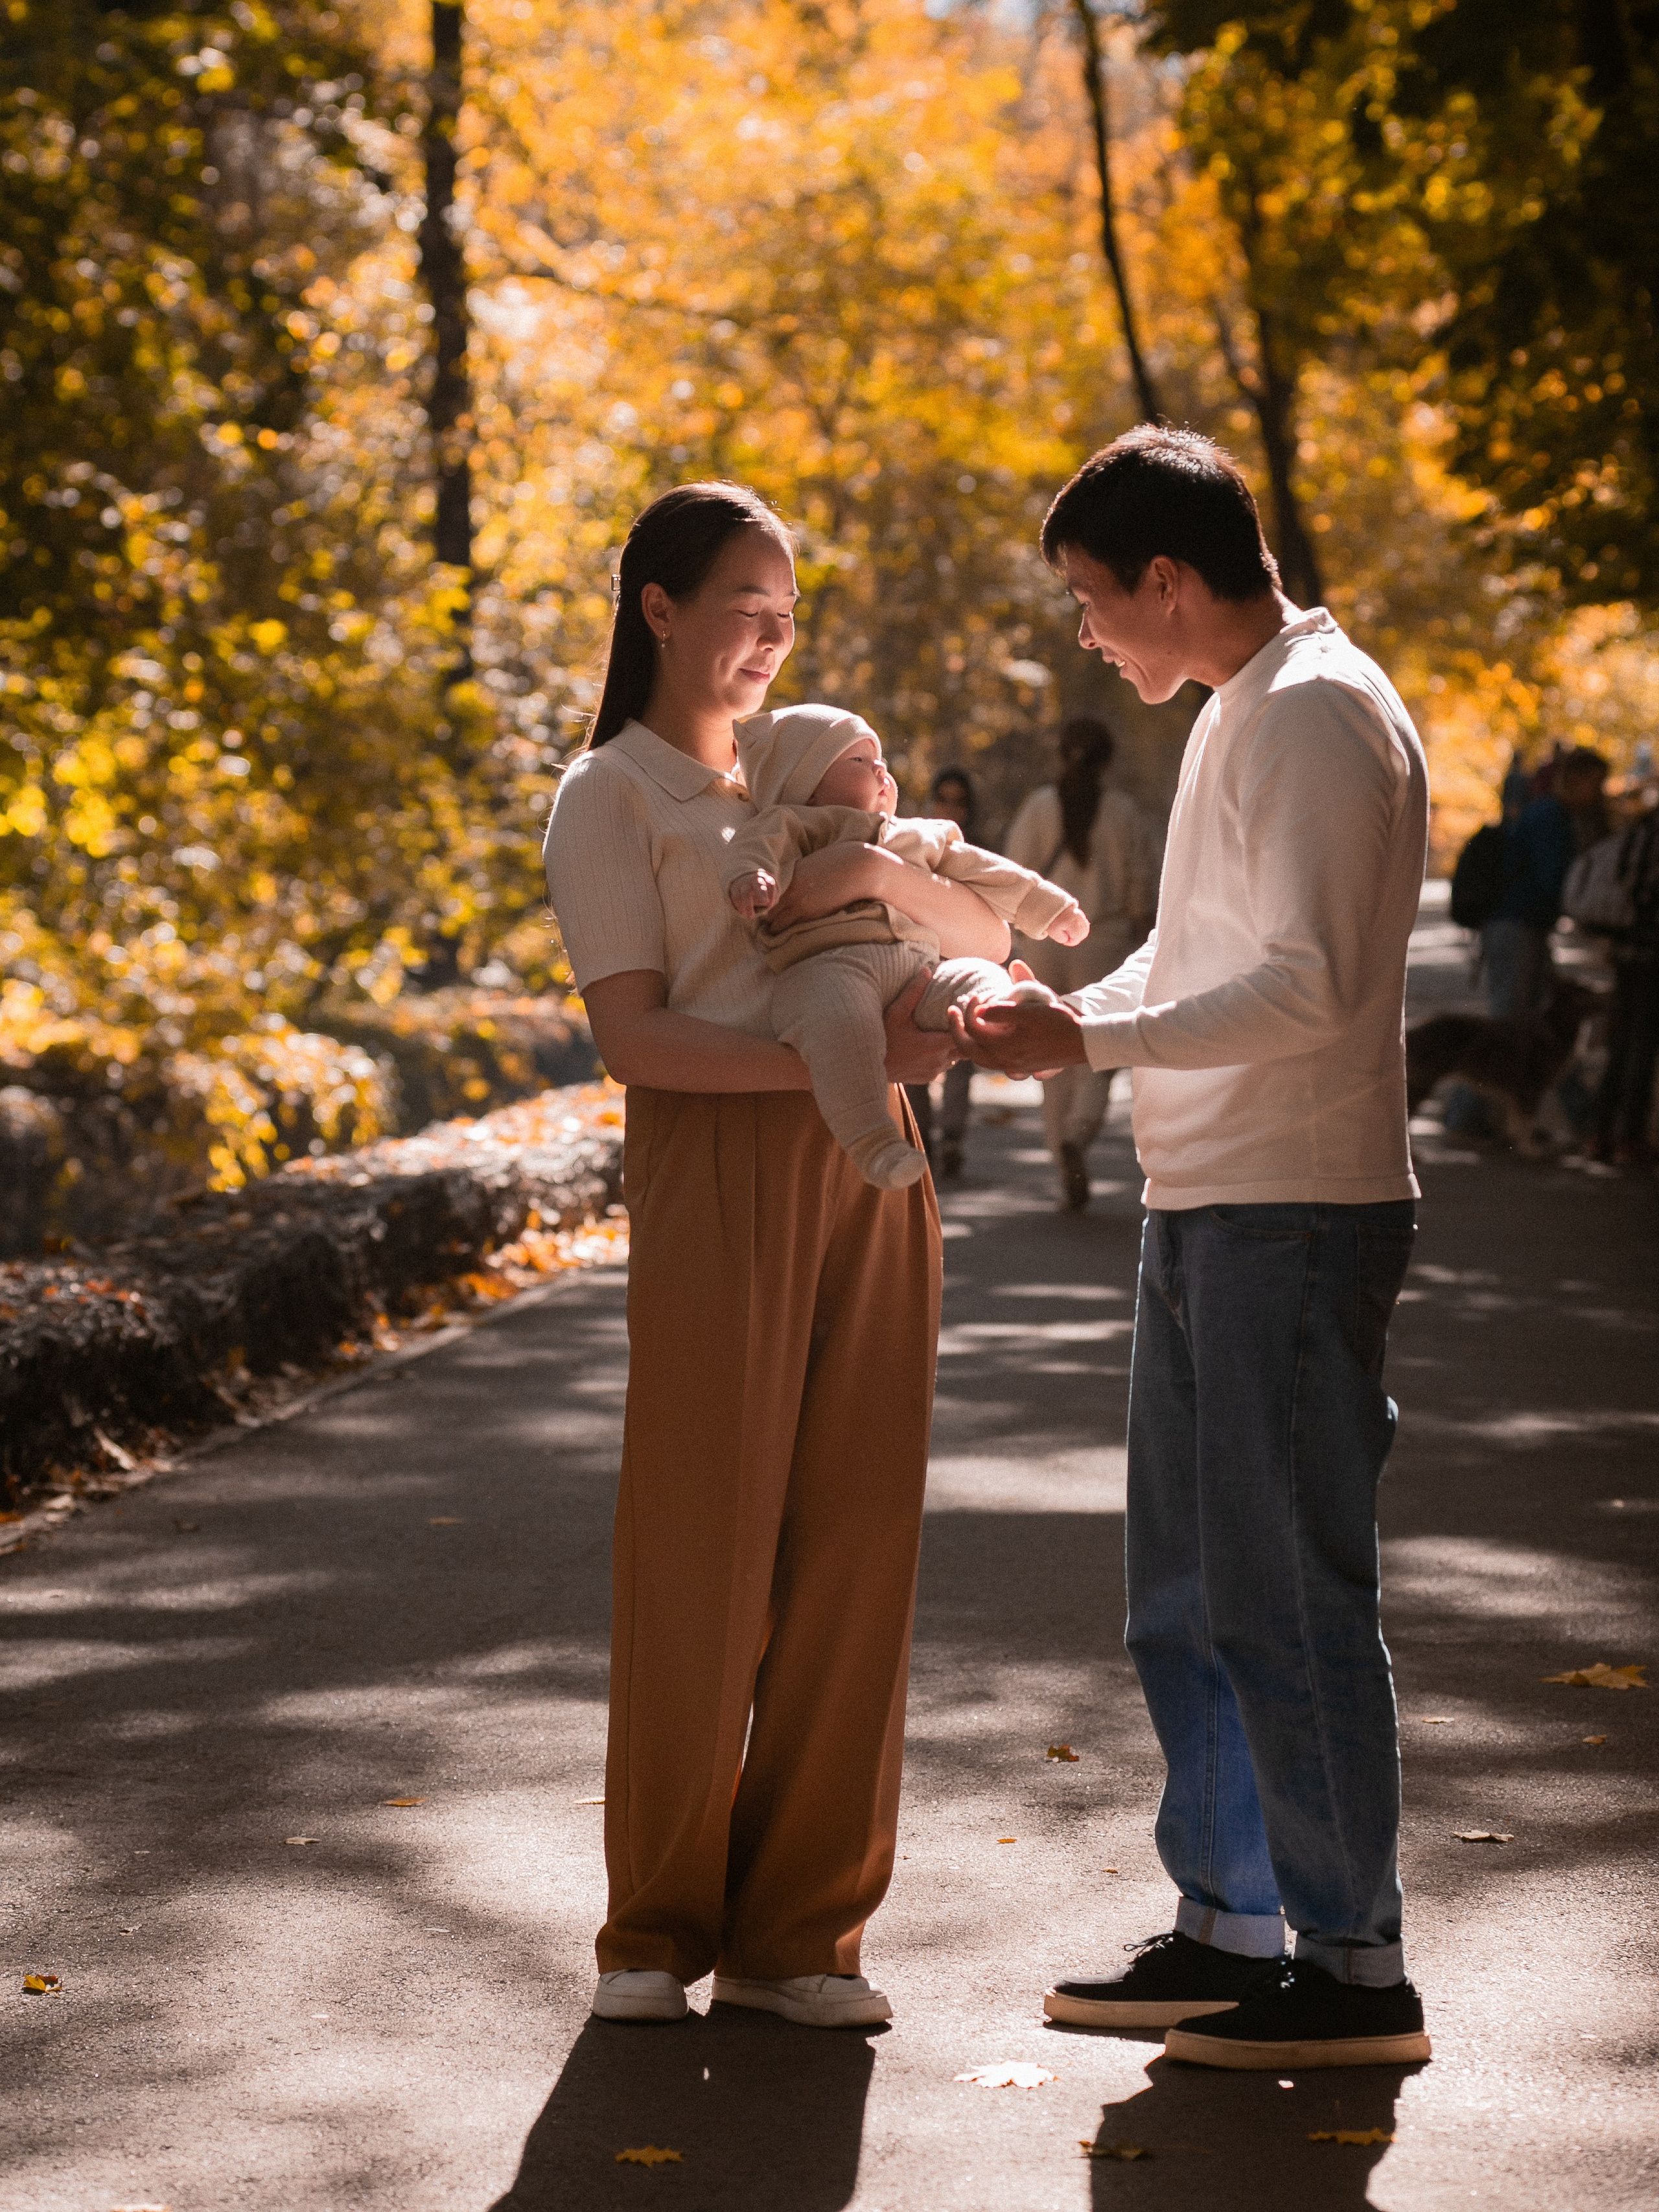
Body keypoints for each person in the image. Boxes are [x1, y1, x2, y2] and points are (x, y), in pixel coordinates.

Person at [955, 426, 1433, 2070]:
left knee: (1283, 1592)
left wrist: (1081, 1050)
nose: (1087, 633)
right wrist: (1056, 1013)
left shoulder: (1313, 710)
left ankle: (1350, 1962)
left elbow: (1303, 982)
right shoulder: (1243, 703)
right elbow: (1191, 947)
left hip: (1291, 1212)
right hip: (1204, 1197)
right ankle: (1230, 1925)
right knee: (1182, 1593)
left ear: (1167, 576)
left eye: (1094, 600)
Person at [542, 482, 1010, 2031]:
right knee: (701, 1537)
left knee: (856, 1536)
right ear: (656, 607)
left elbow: (991, 940)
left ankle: (802, 1932)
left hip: (871, 1173)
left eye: (786, 613)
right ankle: (651, 1927)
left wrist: (876, 891)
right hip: (723, 1161)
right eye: (742, 603)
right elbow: (634, 1035)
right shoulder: (610, 794)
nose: (765, 636)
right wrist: (844, 1063)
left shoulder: (818, 775)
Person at [723, 706, 1085, 1187]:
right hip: (827, 971)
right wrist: (752, 880)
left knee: (977, 977)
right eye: (858, 762)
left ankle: (1017, 1013)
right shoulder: (792, 824)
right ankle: (875, 1139)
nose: (880, 770)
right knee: (840, 1028)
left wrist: (1045, 906)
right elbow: (752, 851)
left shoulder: (913, 832)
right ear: (808, 784)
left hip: (918, 971)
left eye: (880, 759)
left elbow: (981, 867)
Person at [1003, 716, 1161, 1209]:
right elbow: (1142, 888)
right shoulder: (1124, 813)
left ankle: (1060, 1152)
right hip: (1104, 939)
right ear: (1108, 761)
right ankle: (1078, 1133)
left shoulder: (1037, 808)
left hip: (1045, 940)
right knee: (1094, 1046)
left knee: (1047, 1047)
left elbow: (1011, 873)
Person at [905, 767, 982, 1178]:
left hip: (966, 963)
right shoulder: (914, 846)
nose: (950, 808)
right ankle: (920, 1137)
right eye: (944, 799)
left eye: (959, 801)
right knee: (916, 1044)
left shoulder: (980, 854)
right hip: (919, 961)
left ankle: (952, 1137)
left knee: (962, 1049)